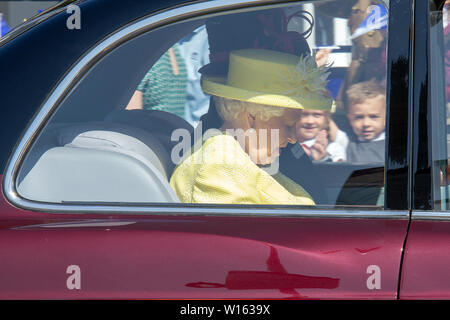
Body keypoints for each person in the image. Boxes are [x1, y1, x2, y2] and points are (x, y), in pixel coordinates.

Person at [170, 48, 333, 205]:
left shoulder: (241, 157)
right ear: (251, 118)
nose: (292, 139)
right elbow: (232, 233)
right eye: (287, 126)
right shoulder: (222, 163)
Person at [126, 45, 188, 118]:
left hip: (152, 127)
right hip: (174, 127)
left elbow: (130, 119)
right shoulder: (172, 47)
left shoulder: (142, 55)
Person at [345, 78, 386, 163]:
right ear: (350, 120)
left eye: (373, 117)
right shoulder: (346, 145)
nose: (366, 124)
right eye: (359, 117)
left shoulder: (396, 148)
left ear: (386, 118)